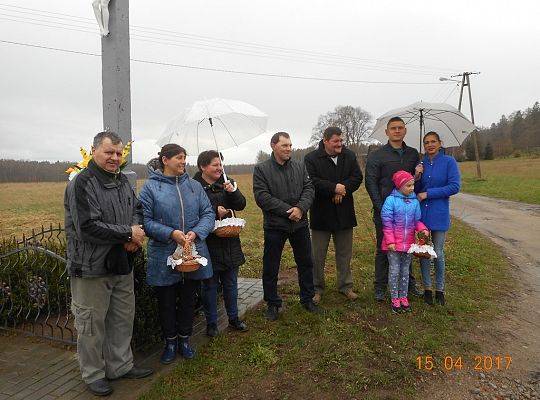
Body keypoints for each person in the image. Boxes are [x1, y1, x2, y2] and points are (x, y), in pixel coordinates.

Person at [65, 131, 153, 397]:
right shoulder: (82, 183)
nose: (115, 158)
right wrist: (128, 233)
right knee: (91, 325)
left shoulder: (123, 181)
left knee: (121, 319)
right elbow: (87, 227)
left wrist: (134, 230)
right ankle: (93, 374)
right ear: (94, 152)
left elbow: (136, 208)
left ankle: (120, 366)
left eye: (118, 153)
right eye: (109, 153)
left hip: (121, 262)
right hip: (90, 267)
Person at [138, 144, 215, 364]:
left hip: (192, 252)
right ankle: (170, 343)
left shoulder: (194, 186)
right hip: (164, 254)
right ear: (165, 160)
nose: (183, 162)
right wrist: (171, 233)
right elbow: (146, 221)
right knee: (167, 301)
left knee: (189, 299)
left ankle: (185, 339)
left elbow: (207, 213)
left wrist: (195, 232)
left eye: (184, 158)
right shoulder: (151, 188)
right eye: (179, 158)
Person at [253, 131, 318, 320]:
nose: (289, 149)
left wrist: (300, 208)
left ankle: (307, 299)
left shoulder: (299, 166)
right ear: (273, 145)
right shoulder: (261, 169)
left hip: (299, 224)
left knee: (306, 262)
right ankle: (272, 303)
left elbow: (309, 188)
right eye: (284, 145)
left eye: (290, 145)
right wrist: (289, 211)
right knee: (271, 266)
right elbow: (262, 196)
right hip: (275, 226)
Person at [365, 116, 423, 302]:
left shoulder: (413, 154)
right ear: (387, 132)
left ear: (405, 130)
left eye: (400, 128)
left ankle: (409, 283)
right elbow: (370, 183)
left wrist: (418, 174)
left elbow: (412, 183)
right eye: (393, 128)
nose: (397, 131)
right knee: (384, 248)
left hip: (407, 213)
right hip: (385, 212)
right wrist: (381, 209)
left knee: (407, 248)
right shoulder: (377, 155)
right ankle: (380, 286)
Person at [193, 150, 249, 337]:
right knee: (209, 285)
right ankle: (211, 323)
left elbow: (241, 204)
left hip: (229, 241)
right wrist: (214, 209)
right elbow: (193, 211)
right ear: (203, 166)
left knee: (231, 283)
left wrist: (232, 192)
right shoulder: (194, 186)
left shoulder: (227, 181)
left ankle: (233, 318)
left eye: (221, 164)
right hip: (207, 243)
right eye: (215, 165)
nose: (220, 168)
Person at [304, 126, 363, 303]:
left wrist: (342, 189)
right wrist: (333, 188)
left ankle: (345, 286)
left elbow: (357, 177)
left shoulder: (350, 155)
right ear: (325, 141)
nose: (340, 144)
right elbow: (311, 181)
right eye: (336, 141)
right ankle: (317, 288)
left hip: (344, 214)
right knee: (317, 255)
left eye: (341, 140)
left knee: (344, 254)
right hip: (321, 214)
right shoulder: (311, 158)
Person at [415, 132, 461, 306]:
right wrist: (417, 176)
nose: (430, 145)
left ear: (440, 143)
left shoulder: (449, 162)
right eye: (426, 142)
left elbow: (454, 186)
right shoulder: (421, 163)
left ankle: (440, 290)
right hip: (422, 216)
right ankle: (427, 288)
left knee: (438, 252)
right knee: (424, 251)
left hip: (439, 213)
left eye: (433, 141)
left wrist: (429, 193)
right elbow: (415, 189)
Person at [381, 171, 428, 313]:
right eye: (408, 185)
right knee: (394, 270)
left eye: (413, 184)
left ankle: (403, 296)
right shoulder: (391, 200)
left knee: (405, 271)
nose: (412, 188)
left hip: (409, 244)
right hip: (394, 245)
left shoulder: (414, 201)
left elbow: (417, 220)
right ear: (399, 186)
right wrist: (390, 241)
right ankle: (394, 297)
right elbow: (387, 222)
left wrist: (423, 229)